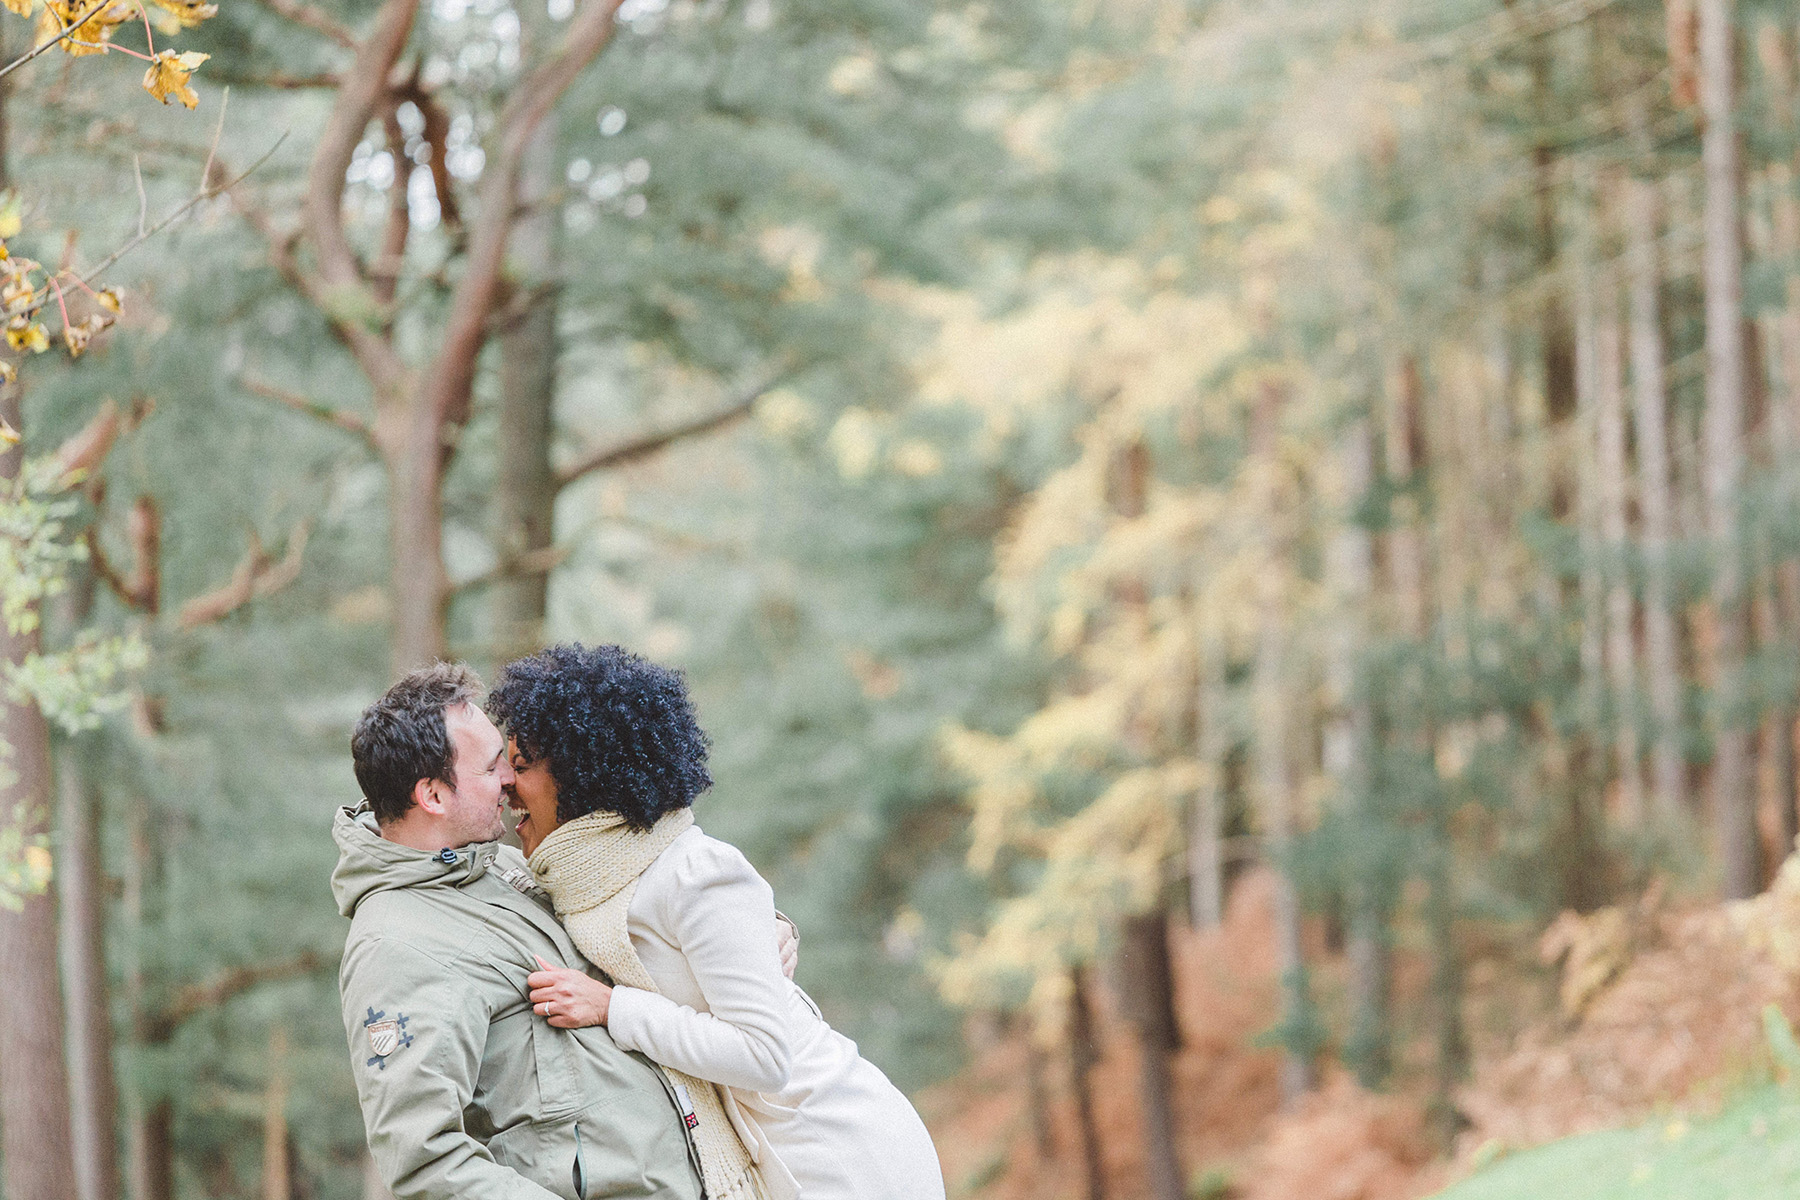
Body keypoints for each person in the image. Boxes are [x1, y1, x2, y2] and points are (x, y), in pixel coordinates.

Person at [487, 643, 947, 1200]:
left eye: (520, 765)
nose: (505, 785)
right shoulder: (578, 881)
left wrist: (614, 1008)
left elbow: (764, 1056)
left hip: (841, 1152)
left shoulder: (695, 872)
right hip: (773, 1152)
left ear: (581, 770)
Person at [335, 662, 795, 1200]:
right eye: (490, 768)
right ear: (433, 795)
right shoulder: (396, 947)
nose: (510, 780)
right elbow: (423, 1160)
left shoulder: (500, 870)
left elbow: (635, 914)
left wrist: (756, 935)